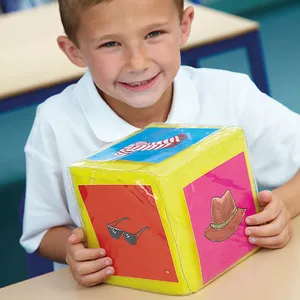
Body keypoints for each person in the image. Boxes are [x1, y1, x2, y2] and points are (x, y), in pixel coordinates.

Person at [20, 0, 300, 287]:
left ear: (184, 26)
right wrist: (73, 251)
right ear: (74, 51)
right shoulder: (55, 122)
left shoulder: (229, 94)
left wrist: (283, 209)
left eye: (154, 34)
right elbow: (41, 233)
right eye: (110, 44)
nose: (137, 62)